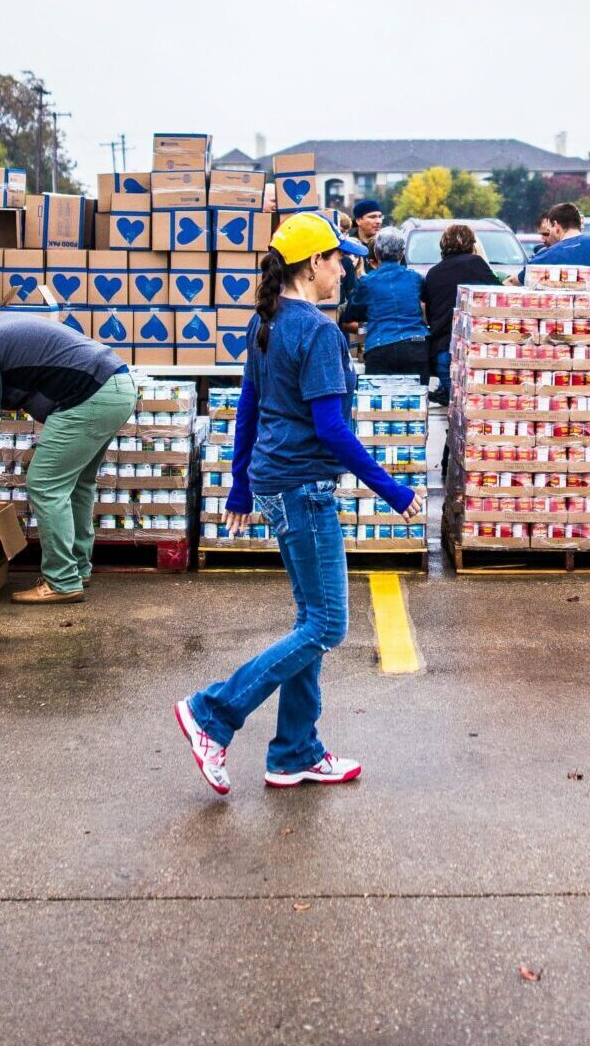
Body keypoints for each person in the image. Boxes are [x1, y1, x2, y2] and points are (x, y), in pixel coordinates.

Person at [177, 213, 420, 796]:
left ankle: (294, 753)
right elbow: (331, 428)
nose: (345, 270)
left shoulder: (268, 321)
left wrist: (240, 483)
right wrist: (393, 491)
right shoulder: (317, 331)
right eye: (339, 259)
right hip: (304, 489)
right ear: (314, 264)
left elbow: (249, 409)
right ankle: (212, 713)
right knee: (328, 624)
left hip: (277, 484)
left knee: (310, 620)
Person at [0, 313, 137, 604]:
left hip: (91, 396)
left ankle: (62, 581)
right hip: (115, 386)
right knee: (76, 485)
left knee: (45, 484)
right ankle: (76, 568)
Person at [422, 222, 502, 403]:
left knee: (456, 409)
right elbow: (499, 295)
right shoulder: (476, 264)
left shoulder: (433, 273)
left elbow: (428, 312)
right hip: (472, 348)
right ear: (471, 243)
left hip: (443, 350)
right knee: (472, 412)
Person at [339, 227, 429, 376]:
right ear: (402, 252)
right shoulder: (416, 279)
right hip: (416, 346)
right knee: (416, 397)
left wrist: (368, 326)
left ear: (377, 253)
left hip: (380, 348)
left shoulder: (367, 282)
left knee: (380, 398)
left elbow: (348, 320)